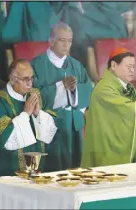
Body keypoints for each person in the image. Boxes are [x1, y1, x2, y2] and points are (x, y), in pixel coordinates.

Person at [0, 59, 57, 209]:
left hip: (37, 172)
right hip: (7, 171)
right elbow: (7, 139)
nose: (30, 83)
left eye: (32, 78)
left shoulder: (35, 95)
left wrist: (37, 114)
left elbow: (50, 131)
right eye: (26, 79)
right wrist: (26, 114)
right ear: (13, 79)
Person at [31, 22, 93, 171]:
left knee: (76, 170)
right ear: (51, 41)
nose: (66, 45)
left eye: (70, 41)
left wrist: (74, 91)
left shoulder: (76, 65)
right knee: (55, 172)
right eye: (62, 40)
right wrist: (60, 87)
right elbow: (32, 95)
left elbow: (88, 89)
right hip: (51, 128)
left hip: (74, 127)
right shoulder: (36, 65)